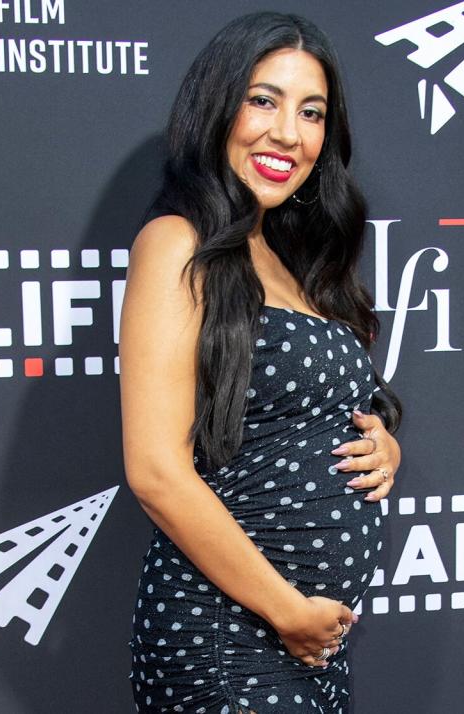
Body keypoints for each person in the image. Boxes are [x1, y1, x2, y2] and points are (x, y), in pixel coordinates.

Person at [119, 12, 403, 713]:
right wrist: (287, 609)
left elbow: (296, 416)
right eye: (263, 100)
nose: (288, 133)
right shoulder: (177, 241)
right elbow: (155, 470)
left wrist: (381, 445)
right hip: (228, 631)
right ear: (217, 107)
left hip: (305, 637)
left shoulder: (291, 256)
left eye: (311, 112)